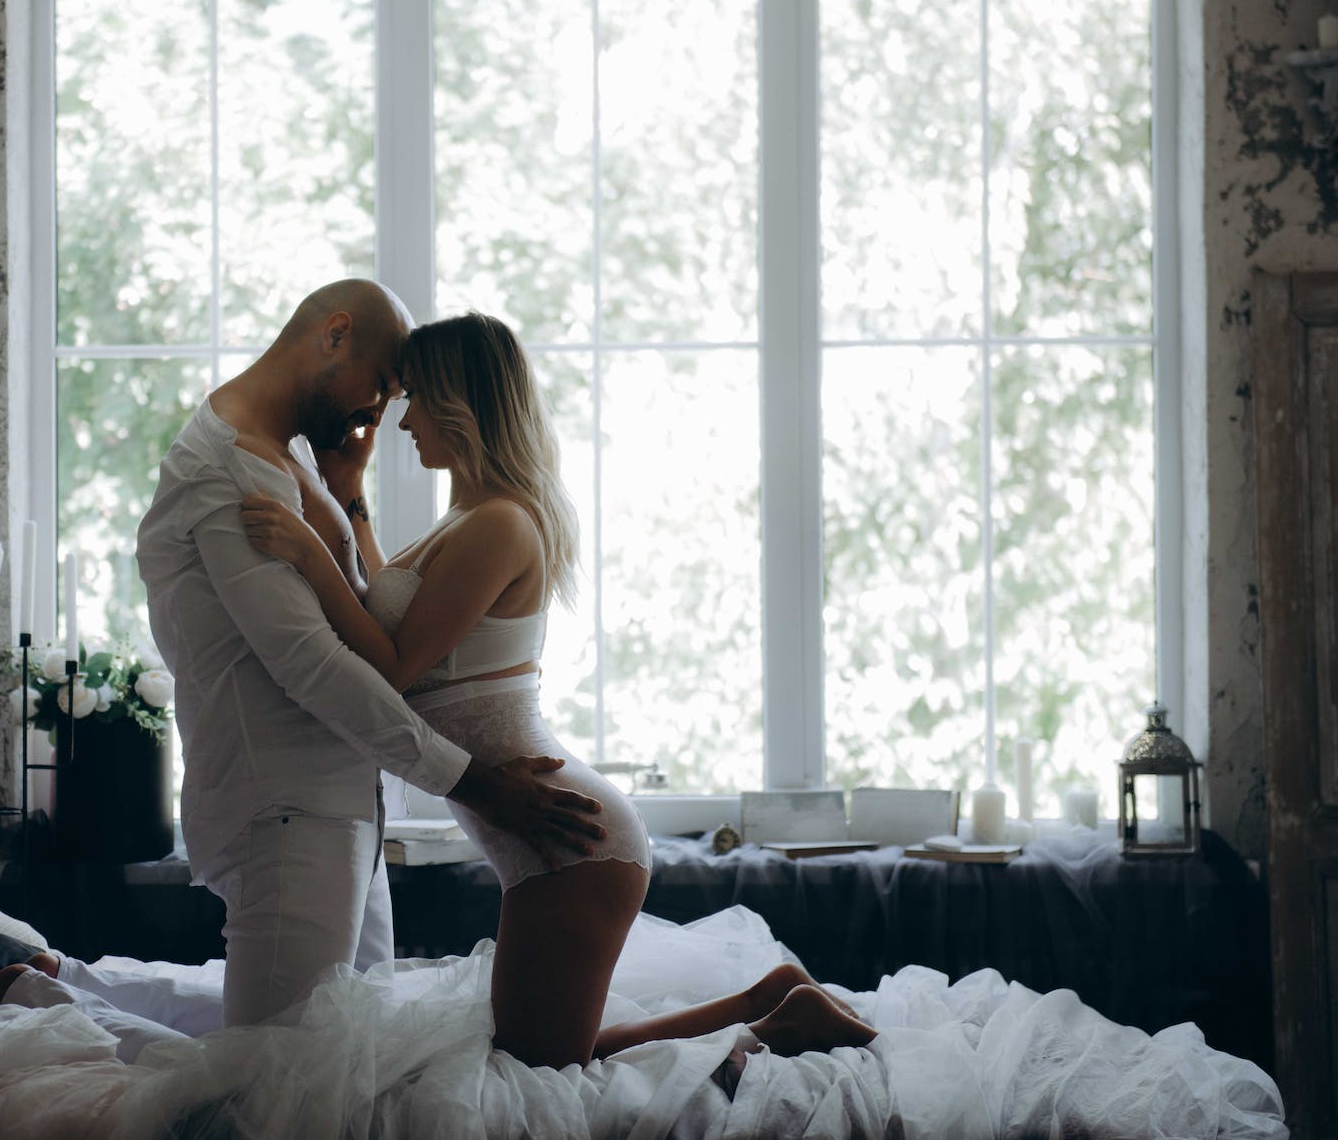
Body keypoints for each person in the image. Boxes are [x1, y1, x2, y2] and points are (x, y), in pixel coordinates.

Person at [239, 310, 878, 1073]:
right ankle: (765, 1003)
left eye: (416, 398)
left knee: (538, 1074)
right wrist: (349, 496)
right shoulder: (471, 515)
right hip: (549, 839)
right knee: (537, 1061)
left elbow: (395, 665)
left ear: (460, 403)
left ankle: (768, 1014)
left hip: (573, 844)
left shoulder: (500, 524)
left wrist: (310, 555)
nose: (402, 420)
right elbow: (391, 606)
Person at [134, 279, 607, 1030]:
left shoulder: (289, 461)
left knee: (352, 1069)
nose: (385, 415)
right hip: (286, 812)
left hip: (342, 806)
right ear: (335, 334)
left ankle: (47, 985)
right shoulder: (227, 473)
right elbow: (317, 665)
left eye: (405, 396)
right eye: (384, 386)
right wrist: (477, 784)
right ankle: (43, 989)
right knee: (278, 1087)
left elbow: (368, 616)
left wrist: (341, 500)